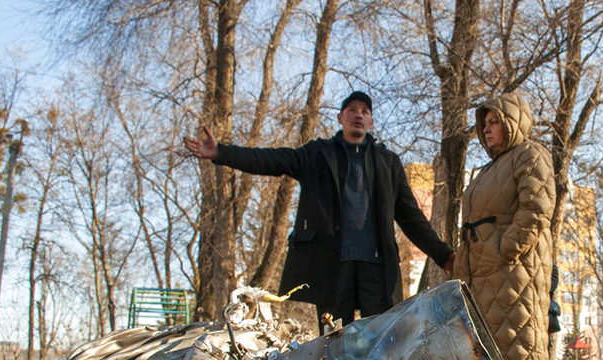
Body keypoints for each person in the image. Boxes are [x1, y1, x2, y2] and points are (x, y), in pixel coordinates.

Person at [183, 91, 454, 324]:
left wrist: (443, 255)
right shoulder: (318, 154)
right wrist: (221, 153)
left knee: (382, 343)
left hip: (377, 268)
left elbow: (410, 216)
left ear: (371, 120)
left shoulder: (388, 162)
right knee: (334, 343)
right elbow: (272, 159)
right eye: (351, 110)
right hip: (333, 267)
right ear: (340, 118)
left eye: (364, 111)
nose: (358, 115)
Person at [454, 92, 555, 360]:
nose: (486, 129)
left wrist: (503, 250)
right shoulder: (487, 170)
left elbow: (537, 209)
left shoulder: (530, 153)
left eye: (495, 121)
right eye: (484, 123)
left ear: (512, 122)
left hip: (514, 281)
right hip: (483, 284)